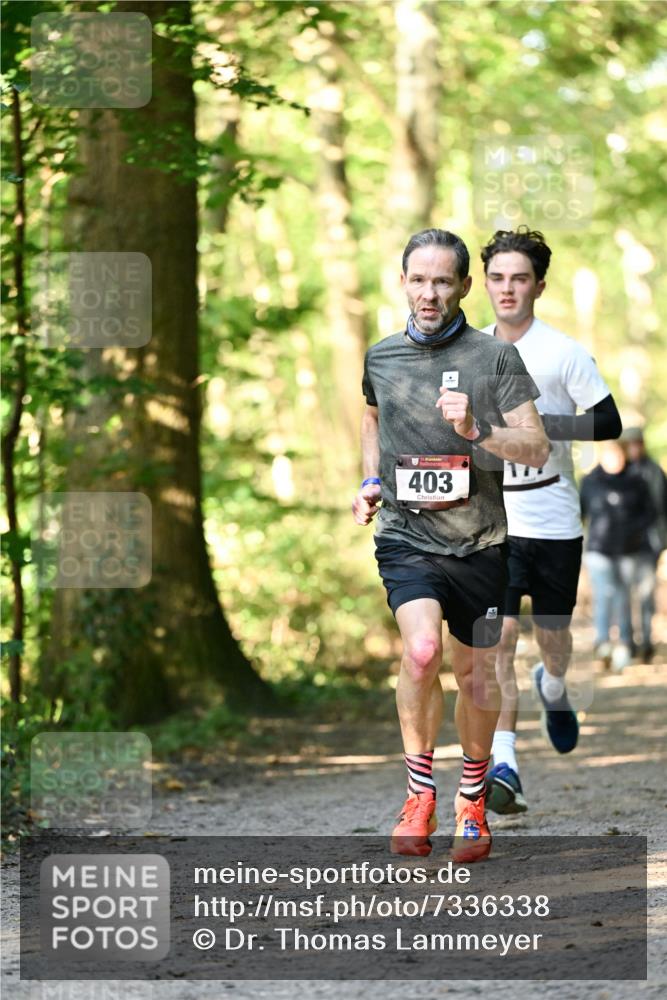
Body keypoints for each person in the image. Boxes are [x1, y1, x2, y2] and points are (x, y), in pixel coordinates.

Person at [352, 228, 549, 863]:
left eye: (443, 281)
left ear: (465, 286)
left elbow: (536, 446)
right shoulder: (381, 357)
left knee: (475, 674)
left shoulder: (495, 358)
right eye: (418, 279)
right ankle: (418, 797)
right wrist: (370, 479)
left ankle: (470, 799)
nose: (429, 293)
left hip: (482, 543)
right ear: (403, 281)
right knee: (421, 651)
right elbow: (373, 414)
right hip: (407, 537)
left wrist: (476, 428)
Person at [479, 227, 622, 816]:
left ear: (539, 284)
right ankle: (506, 764)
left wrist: (538, 431)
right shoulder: (468, 351)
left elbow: (609, 423)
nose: (507, 289)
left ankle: (554, 687)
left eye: (518, 278)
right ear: (483, 284)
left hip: (554, 515)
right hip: (493, 518)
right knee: (500, 638)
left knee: (552, 641)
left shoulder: (564, 353)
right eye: (496, 278)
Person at [581, 439, 657, 669]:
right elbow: (581, 512)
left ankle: (625, 643)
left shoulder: (636, 480)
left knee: (623, 597)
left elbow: (650, 513)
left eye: (618, 456)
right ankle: (602, 642)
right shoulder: (590, 481)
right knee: (603, 595)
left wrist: (636, 532)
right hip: (598, 550)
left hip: (628, 549)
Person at [621, 426, 667, 661]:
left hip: (649, 543)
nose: (634, 448)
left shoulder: (654, 471)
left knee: (646, 594)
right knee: (625, 595)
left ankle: (647, 642)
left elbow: (661, 507)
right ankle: (628, 642)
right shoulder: (619, 472)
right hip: (624, 545)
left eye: (637, 443)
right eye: (629, 444)